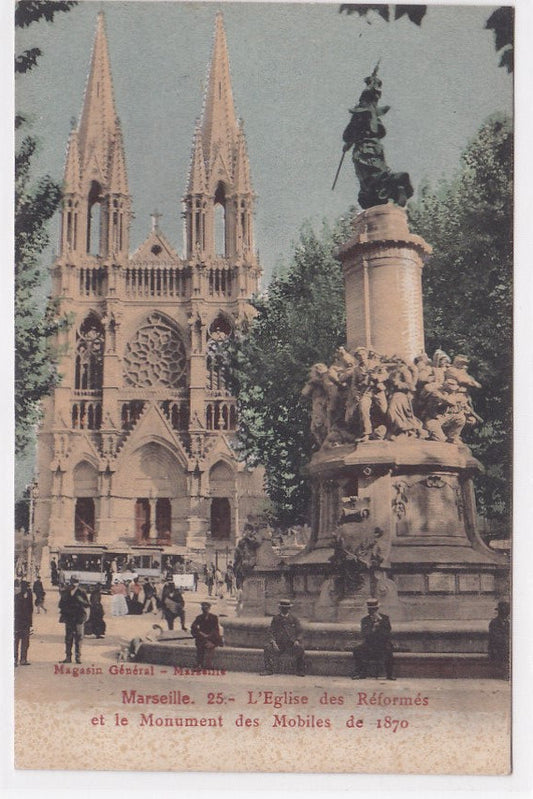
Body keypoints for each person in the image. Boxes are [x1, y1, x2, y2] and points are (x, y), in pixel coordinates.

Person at [352, 598, 395, 680]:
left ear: (377, 608)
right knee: (357, 650)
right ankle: (360, 672)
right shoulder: (365, 620)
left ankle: (390, 674)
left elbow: (387, 632)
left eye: (374, 609)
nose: (372, 611)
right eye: (370, 609)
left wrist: (380, 625)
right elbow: (364, 634)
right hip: (370, 644)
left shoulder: (385, 618)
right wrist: (373, 629)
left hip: (382, 643)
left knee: (389, 650)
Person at [261, 599, 306, 676]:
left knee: (300, 648)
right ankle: (268, 669)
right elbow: (271, 631)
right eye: (283, 608)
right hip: (279, 644)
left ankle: (300, 670)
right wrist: (273, 642)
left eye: (286, 608)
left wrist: (297, 640)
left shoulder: (294, 619)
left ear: (289, 608)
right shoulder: (276, 619)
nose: (284, 609)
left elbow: (300, 631)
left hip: (290, 644)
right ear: (280, 608)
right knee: (267, 648)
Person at [58, 576, 89, 664]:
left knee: (79, 638)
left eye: (76, 582)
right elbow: (60, 604)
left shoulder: (82, 592)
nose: (74, 584)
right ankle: (68, 657)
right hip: (69, 618)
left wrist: (81, 601)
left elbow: (87, 604)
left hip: (79, 618)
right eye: (73, 582)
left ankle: (78, 657)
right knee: (68, 638)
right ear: (70, 582)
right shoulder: (66, 592)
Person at [191, 602, 223, 669]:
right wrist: (200, 632)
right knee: (200, 646)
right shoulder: (199, 617)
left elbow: (215, 628)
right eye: (203, 608)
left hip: (212, 636)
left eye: (206, 608)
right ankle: (200, 664)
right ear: (202, 609)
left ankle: (202, 664)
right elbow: (193, 626)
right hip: (202, 636)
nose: (205, 610)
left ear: (209, 608)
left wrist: (209, 635)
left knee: (206, 644)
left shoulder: (214, 617)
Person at [488, 600, 510, 679]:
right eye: (503, 611)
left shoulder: (508, 623)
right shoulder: (494, 623)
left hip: (504, 647)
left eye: (506, 611)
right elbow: (496, 638)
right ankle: (504, 673)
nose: (506, 613)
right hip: (496, 648)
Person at [15, 580, 33, 666]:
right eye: (27, 587)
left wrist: (31, 624)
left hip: (25, 623)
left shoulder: (29, 597)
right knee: (16, 642)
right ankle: (15, 660)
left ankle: (23, 659)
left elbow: (30, 611)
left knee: (25, 642)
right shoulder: (17, 597)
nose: (28, 589)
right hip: (18, 623)